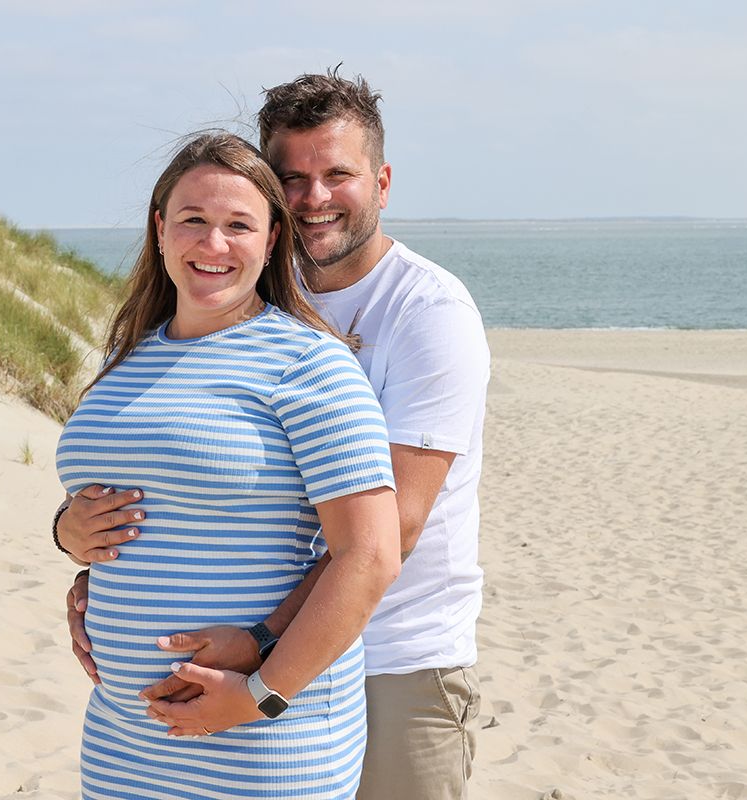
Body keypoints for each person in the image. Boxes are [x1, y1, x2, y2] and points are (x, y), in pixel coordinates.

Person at [58, 70, 490, 800]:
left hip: (390, 660)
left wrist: (263, 658)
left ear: (381, 181)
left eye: (337, 174)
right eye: (293, 177)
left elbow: (393, 533)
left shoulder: (420, 314)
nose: (315, 196)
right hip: (147, 730)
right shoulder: (196, 319)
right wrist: (83, 552)